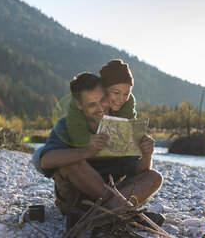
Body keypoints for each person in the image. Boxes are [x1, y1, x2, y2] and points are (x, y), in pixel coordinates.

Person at [32, 72, 163, 230]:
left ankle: (97, 217)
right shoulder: (66, 125)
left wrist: (147, 155)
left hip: (116, 190)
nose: (101, 109)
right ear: (79, 104)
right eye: (92, 104)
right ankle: (121, 214)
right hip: (76, 199)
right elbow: (45, 160)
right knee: (71, 162)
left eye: (103, 100)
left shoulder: (120, 125)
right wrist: (88, 151)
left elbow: (137, 169)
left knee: (154, 177)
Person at [65, 59, 137, 147]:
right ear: (104, 89)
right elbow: (75, 133)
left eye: (126, 93)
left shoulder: (128, 101)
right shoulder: (79, 102)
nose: (121, 99)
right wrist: (89, 140)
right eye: (116, 93)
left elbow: (128, 129)